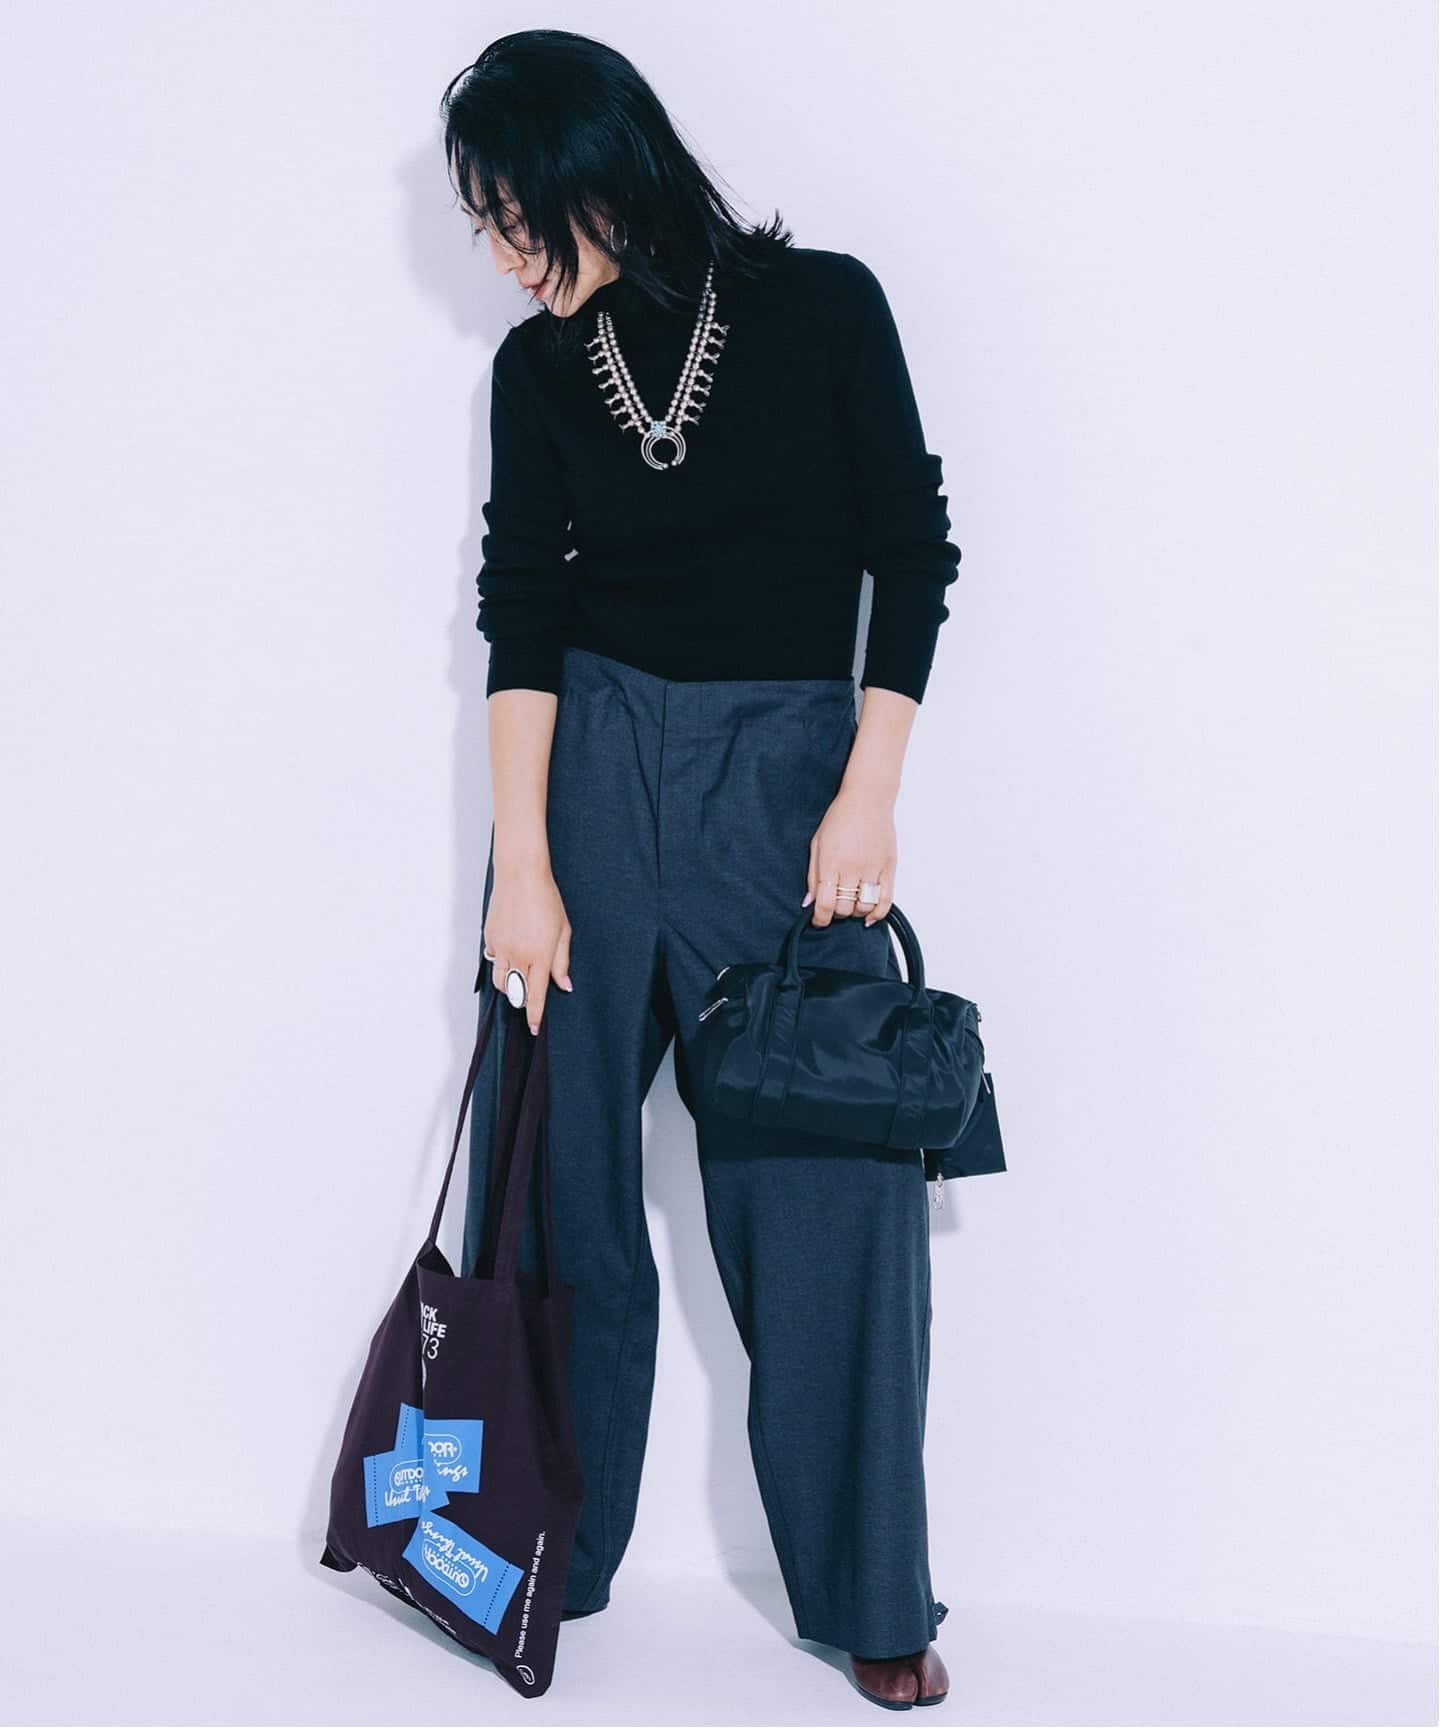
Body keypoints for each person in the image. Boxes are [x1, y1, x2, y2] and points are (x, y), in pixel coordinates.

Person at [440, 28, 962, 1711]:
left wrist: (866, 794)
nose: (496, 252)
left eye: (508, 213)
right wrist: (524, 868)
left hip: (786, 782)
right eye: (479, 221)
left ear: (592, 173)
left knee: (825, 1196)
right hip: (589, 773)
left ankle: (871, 1593)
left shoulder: (824, 309)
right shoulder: (537, 372)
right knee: (557, 1186)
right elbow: (523, 613)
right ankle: (546, 1551)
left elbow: (912, 551)